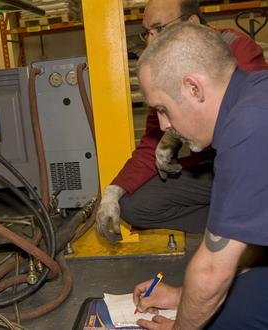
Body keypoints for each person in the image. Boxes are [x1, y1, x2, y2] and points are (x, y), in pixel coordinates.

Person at [132, 21, 268, 329]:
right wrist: (182, 297)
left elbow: (212, 272)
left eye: (163, 109)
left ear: (194, 88)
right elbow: (251, 238)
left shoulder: (248, 127)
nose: (164, 125)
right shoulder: (254, 96)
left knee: (220, 318)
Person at [96, 0, 268, 242]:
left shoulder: (234, 48)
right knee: (135, 205)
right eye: (147, 32)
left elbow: (250, 122)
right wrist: (113, 192)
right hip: (211, 170)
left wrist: (177, 135)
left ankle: (241, 231)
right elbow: (151, 143)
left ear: (192, 23)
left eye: (160, 28)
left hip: (249, 163)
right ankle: (233, 230)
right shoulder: (163, 72)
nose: (151, 41)